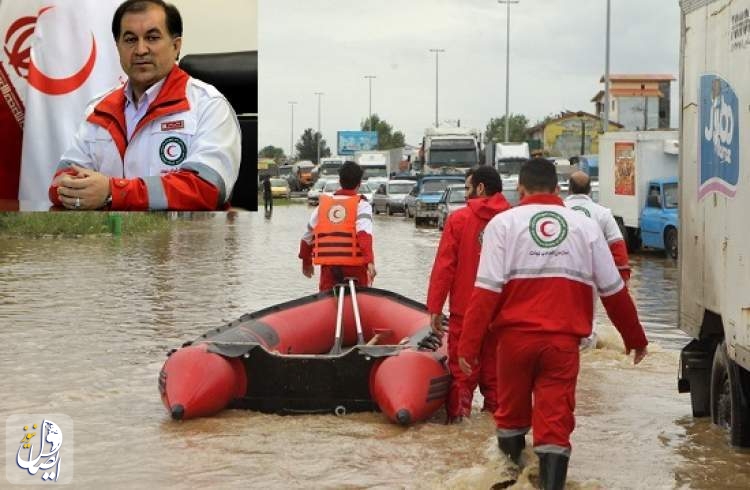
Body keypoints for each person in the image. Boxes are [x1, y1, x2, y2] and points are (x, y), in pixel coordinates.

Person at [458, 158, 648, 490]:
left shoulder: (502, 225)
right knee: (555, 423)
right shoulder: (586, 227)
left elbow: (485, 292)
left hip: (513, 344)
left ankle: (509, 480)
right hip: (562, 345)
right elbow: (613, 289)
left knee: (511, 417)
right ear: (557, 188)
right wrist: (635, 338)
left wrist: (468, 346)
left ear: (520, 187)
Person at [48, 0, 241, 211]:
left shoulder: (208, 105)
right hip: (108, 240)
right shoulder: (98, 109)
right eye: (130, 39)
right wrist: (76, 191)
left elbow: (207, 189)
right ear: (118, 47)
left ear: (176, 46)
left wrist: (113, 192)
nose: (140, 50)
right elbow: (60, 180)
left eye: (152, 37)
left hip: (180, 239)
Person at [425, 165, 511, 422]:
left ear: (480, 188)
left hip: (465, 311)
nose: (465, 194)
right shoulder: (513, 220)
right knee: (497, 380)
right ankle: (495, 434)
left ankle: (458, 429)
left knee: (462, 377)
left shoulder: (459, 220)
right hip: (503, 315)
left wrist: (435, 308)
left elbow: (444, 267)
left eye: (467, 187)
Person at [564, 170, 631, 350]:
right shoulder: (603, 213)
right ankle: (586, 348)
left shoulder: (558, 210)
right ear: (590, 190)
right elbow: (618, 246)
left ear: (569, 189)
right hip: (590, 274)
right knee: (588, 316)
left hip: (558, 271)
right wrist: (622, 278)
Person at [299, 161, 376, 291]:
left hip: (329, 269)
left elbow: (307, 237)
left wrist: (306, 262)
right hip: (355, 268)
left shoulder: (322, 206)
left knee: (327, 301)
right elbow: (364, 234)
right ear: (359, 183)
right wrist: (370, 261)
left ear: (340, 181)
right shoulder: (362, 205)